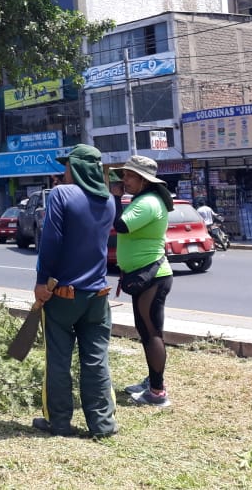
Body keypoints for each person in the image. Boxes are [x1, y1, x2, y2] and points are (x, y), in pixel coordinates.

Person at [31, 144, 118, 438]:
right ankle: (102, 425)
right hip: (98, 297)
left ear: (77, 168)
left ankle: (59, 422)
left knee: (58, 360)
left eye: (67, 166)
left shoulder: (61, 194)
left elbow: (51, 241)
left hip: (63, 295)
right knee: (95, 360)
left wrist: (42, 281)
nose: (63, 172)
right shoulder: (109, 201)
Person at [112, 154, 175, 407]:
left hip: (152, 276)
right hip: (146, 275)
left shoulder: (147, 202)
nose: (124, 180)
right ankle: (152, 380)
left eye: (128, 176)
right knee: (146, 331)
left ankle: (157, 392)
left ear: (143, 180)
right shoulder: (144, 199)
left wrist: (115, 198)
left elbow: (121, 226)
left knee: (152, 333)